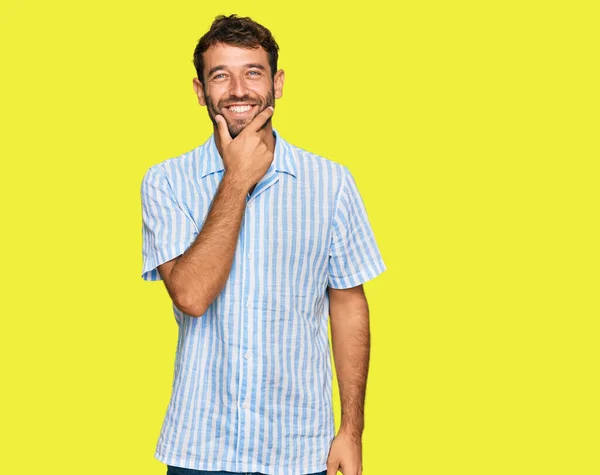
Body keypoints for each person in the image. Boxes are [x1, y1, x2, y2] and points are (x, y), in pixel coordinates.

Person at [140, 14, 386, 475]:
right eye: (221, 75)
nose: (238, 89)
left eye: (252, 72)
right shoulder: (166, 182)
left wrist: (351, 431)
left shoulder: (330, 182)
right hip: (201, 448)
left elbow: (349, 305)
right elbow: (191, 296)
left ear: (277, 83)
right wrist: (236, 179)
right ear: (200, 91)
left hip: (299, 449)